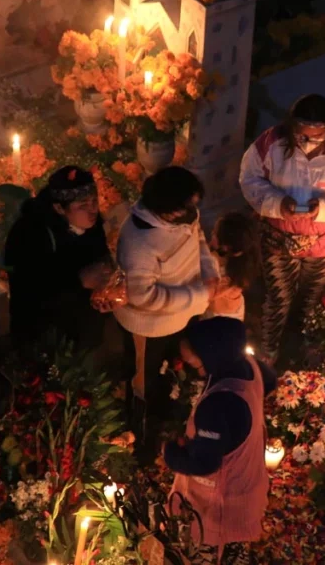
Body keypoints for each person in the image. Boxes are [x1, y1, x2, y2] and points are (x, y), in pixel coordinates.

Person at [239, 94, 325, 365]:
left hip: (324, 241)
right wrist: (277, 203)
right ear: (292, 128)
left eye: (317, 137)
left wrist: (323, 209)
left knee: (308, 300)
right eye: (302, 137)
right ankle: (267, 358)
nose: (308, 144)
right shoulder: (271, 144)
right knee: (279, 298)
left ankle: (296, 348)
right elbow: (249, 179)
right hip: (279, 236)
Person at [113, 166, 220, 462]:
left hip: (184, 315)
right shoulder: (139, 242)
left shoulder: (183, 215)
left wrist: (210, 274)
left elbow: (197, 241)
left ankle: (174, 424)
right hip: (148, 327)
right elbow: (143, 296)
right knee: (144, 386)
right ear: (165, 208)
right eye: (185, 208)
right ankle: (140, 445)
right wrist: (198, 297)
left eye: (194, 205)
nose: (192, 213)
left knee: (177, 373)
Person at [165, 317, 276, 565]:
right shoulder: (249, 366)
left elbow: (205, 463)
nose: (189, 361)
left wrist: (171, 454)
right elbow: (271, 381)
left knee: (209, 557)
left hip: (218, 509)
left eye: (193, 355)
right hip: (247, 491)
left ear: (212, 353)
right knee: (237, 552)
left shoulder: (217, 406)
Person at [4, 166, 113, 350]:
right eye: (83, 205)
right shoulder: (29, 234)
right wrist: (80, 281)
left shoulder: (91, 223)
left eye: (94, 201)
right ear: (59, 207)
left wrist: (104, 294)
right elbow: (30, 293)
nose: (93, 209)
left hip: (83, 328)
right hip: (45, 335)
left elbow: (99, 256)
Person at [203, 212, 260, 322]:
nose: (211, 233)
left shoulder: (227, 277)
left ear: (225, 247)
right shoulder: (240, 260)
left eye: (214, 233)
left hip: (220, 318)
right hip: (225, 309)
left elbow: (205, 293)